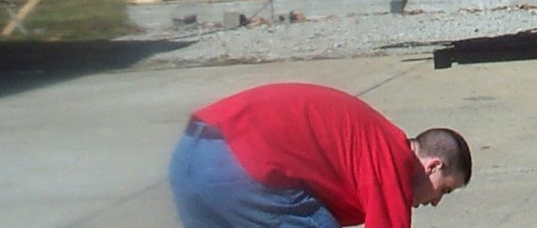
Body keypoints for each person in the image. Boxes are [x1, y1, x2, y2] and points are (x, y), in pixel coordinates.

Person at [168, 82, 471, 228]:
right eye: (444, 189)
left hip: (192, 153)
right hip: (237, 167)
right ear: (433, 166)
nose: (435, 201)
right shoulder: (391, 159)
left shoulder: (373, 139)